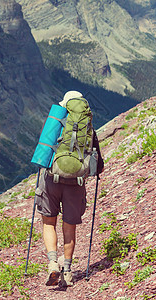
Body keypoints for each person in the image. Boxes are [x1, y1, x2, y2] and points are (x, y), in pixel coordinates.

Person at [35, 90, 104, 287]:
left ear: (65, 106)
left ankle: (52, 263)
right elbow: (97, 165)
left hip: (52, 179)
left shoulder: (57, 122)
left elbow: (44, 149)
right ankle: (67, 271)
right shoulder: (88, 128)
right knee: (69, 226)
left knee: (49, 222)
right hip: (75, 184)